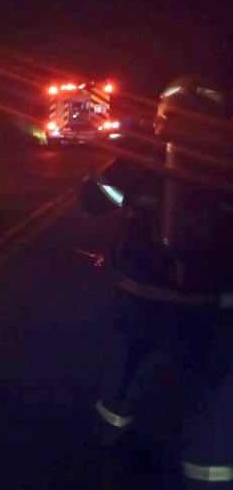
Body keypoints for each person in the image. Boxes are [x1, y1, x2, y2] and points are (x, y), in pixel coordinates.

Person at [80, 76, 233, 487]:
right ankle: (211, 476)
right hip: (212, 302)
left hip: (143, 293)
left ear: (165, 116)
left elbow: (91, 201)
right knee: (213, 390)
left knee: (128, 367)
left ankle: (108, 437)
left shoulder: (143, 154)